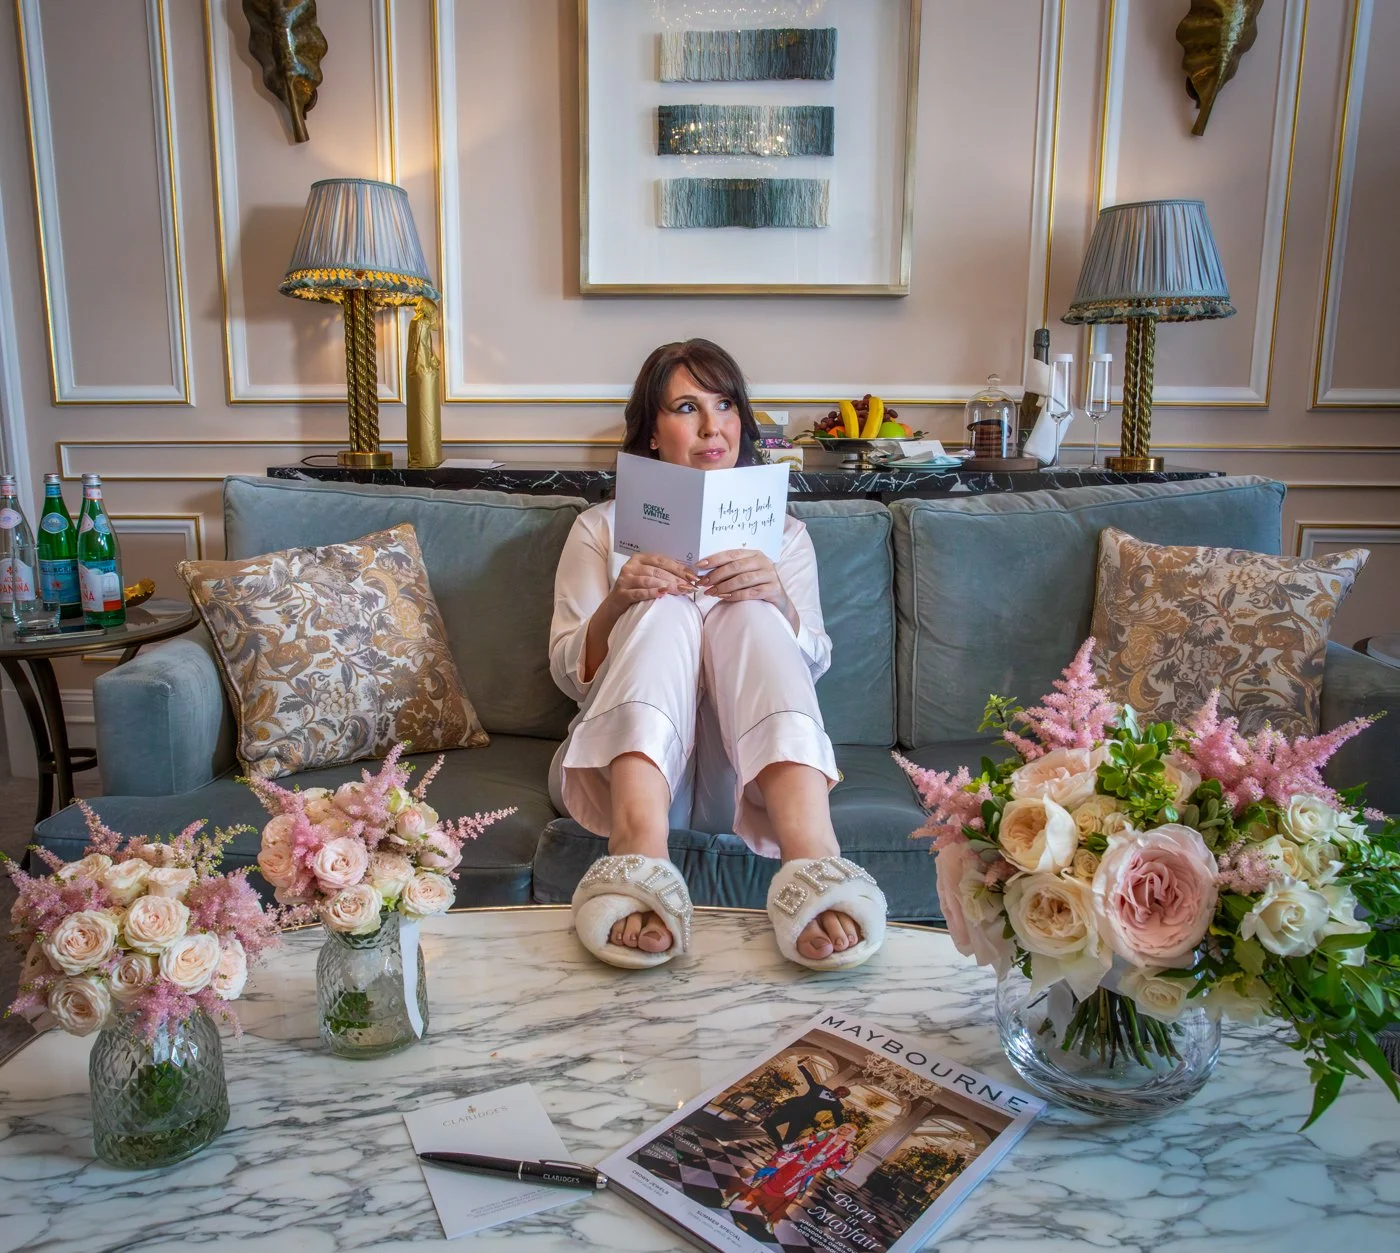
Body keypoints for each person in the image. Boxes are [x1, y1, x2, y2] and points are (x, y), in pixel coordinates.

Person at [550, 339, 887, 970]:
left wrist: (777, 598)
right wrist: (620, 602)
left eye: (725, 404)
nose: (712, 426)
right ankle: (637, 849)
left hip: (745, 778)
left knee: (750, 609)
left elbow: (812, 662)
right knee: (666, 608)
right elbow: (571, 675)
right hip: (620, 773)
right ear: (653, 433)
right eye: (686, 407)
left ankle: (813, 854)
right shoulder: (600, 527)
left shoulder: (785, 535)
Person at [726, 1119, 859, 1231]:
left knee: (790, 1196)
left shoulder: (847, 1149)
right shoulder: (826, 1135)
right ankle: (738, 1194)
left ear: (851, 1134)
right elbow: (806, 1140)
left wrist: (847, 1161)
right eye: (843, 1126)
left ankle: (771, 1220)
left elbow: (838, 1165)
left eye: (848, 1129)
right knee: (766, 1174)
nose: (843, 1130)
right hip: (796, 1162)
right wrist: (794, 1148)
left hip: (809, 1172)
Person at [762, 1062, 850, 1150]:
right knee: (767, 1124)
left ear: (843, 1097)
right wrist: (801, 1066)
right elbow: (810, 1079)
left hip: (803, 1118)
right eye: (840, 1090)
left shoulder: (836, 1105)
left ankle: (780, 1151)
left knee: (788, 1142)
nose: (839, 1093)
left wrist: (845, 1132)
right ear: (836, 1088)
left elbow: (839, 1119)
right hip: (791, 1108)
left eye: (842, 1094)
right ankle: (779, 1145)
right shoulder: (820, 1088)